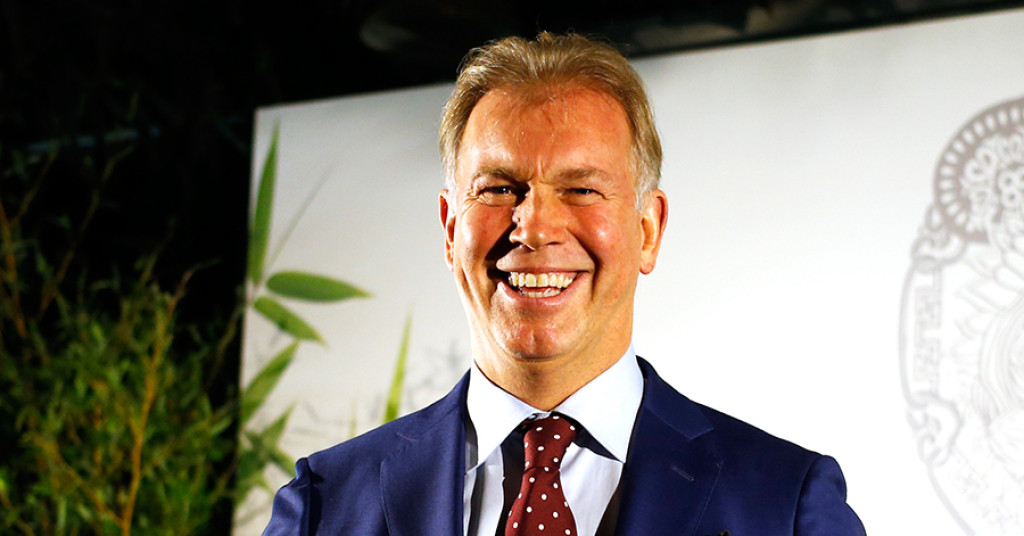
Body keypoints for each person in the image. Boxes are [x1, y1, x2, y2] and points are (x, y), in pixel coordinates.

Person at [263, 32, 866, 536]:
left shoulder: (785, 504)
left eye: (581, 188)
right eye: (499, 189)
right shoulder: (324, 504)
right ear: (450, 229)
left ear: (648, 230)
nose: (534, 227)